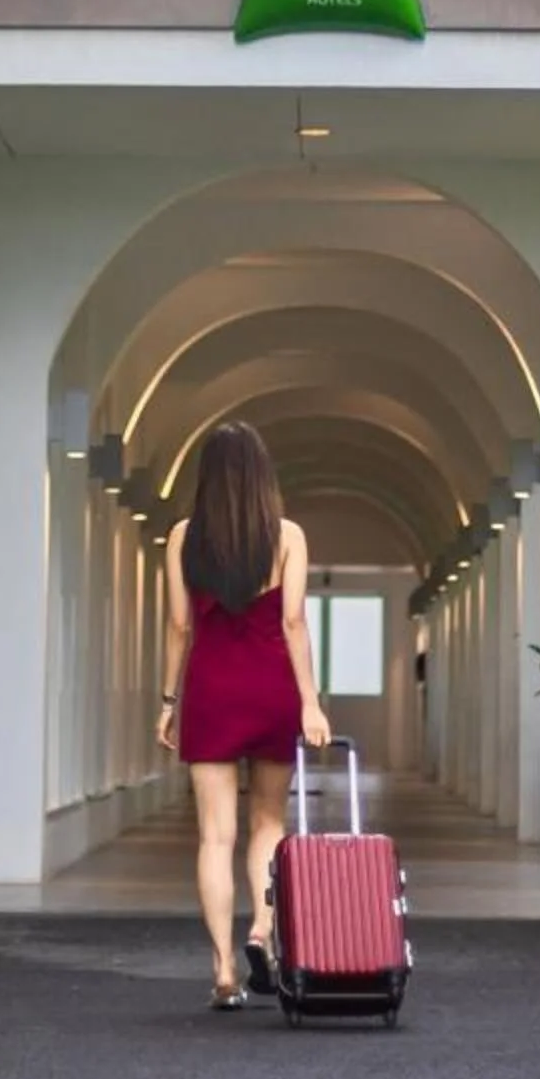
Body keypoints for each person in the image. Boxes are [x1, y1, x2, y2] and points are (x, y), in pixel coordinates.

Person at [155, 422, 332, 1011]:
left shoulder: (183, 537)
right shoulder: (287, 537)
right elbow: (294, 623)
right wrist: (310, 701)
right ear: (262, 476)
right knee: (267, 825)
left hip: (210, 689)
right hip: (270, 689)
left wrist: (168, 701)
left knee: (215, 834)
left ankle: (225, 968)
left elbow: (181, 626)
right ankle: (261, 927)